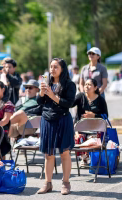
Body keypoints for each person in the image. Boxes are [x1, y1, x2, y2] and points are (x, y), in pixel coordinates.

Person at [37, 58, 76, 195]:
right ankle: (48, 184)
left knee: (64, 152)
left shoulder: (69, 85)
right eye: (51, 67)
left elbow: (69, 103)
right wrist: (41, 93)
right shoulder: (46, 81)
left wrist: (54, 97)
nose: (52, 69)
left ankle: (66, 183)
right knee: (49, 154)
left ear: (62, 69)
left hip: (63, 119)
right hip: (47, 119)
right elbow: (39, 102)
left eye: (56, 67)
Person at [73, 78, 108, 166]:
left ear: (95, 87)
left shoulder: (100, 100)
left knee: (92, 137)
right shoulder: (80, 96)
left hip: (95, 129)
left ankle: (92, 157)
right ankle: (84, 158)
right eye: (85, 84)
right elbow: (69, 104)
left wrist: (94, 116)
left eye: (89, 85)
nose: (86, 86)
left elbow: (105, 116)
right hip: (81, 128)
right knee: (79, 137)